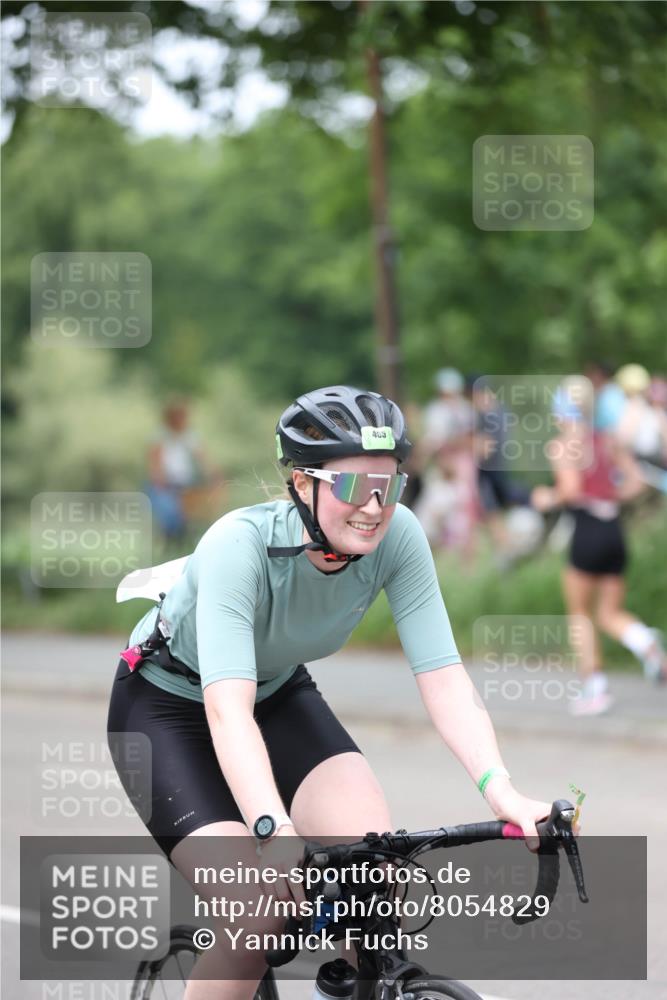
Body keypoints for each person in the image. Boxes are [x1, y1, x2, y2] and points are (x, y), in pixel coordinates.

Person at [108, 385, 554, 1000]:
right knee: (258, 915)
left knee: (371, 880)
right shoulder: (238, 546)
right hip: (167, 707)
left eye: (388, 484)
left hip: (277, 690)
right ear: (301, 483)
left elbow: (445, 679)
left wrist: (501, 790)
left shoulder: (399, 538)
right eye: (351, 485)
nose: (373, 506)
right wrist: (274, 829)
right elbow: (226, 709)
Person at [532, 377, 667, 716]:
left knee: (580, 614)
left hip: (588, 530)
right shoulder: (607, 441)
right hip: (614, 529)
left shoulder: (563, 445)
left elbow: (570, 489)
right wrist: (611, 496)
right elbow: (636, 481)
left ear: (563, 412)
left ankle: (595, 688)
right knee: (609, 613)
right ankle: (646, 642)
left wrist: (545, 498)